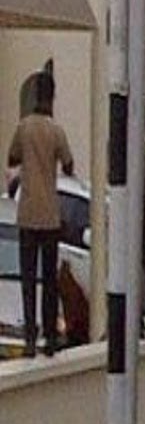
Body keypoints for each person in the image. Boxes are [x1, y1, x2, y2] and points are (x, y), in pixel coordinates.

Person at [6, 72, 73, 357]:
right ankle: (51, 338)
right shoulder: (56, 131)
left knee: (28, 278)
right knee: (49, 279)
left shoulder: (24, 128)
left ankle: (31, 337)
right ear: (53, 97)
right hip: (50, 215)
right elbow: (69, 165)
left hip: (28, 213)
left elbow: (12, 158)